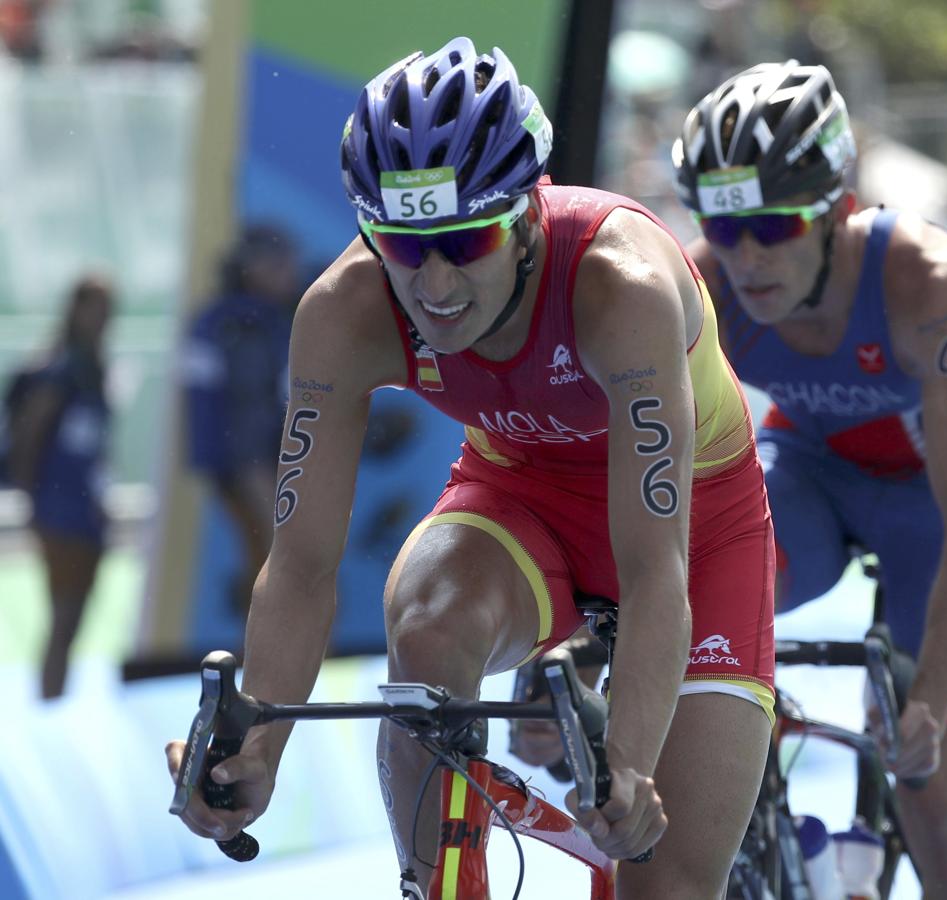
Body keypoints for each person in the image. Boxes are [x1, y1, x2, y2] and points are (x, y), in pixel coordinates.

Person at [165, 37, 775, 898]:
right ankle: (440, 883)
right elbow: (301, 565)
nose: (437, 281)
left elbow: (654, 568)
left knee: (662, 880)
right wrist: (257, 746)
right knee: (428, 625)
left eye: (466, 238)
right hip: (520, 492)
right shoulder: (344, 313)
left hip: (696, 527)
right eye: (405, 245)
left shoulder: (619, 286)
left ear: (528, 211)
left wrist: (627, 768)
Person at [673, 61, 947, 898]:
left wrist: (928, 702)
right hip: (811, 476)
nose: (748, 256)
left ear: (838, 210)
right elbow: (647, 487)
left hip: (938, 509)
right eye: (725, 227)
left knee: (936, 793)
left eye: (775, 227)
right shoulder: (699, 288)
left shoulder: (931, 286)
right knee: (686, 593)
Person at [181, 223, 299, 617]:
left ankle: (269, 656)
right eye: (279, 264)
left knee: (265, 557)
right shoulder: (239, 322)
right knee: (281, 557)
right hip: (252, 459)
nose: (289, 273)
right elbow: (248, 402)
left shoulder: (250, 318)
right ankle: (285, 655)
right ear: (252, 268)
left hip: (248, 458)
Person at [5, 274, 114, 699]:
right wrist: (31, 496)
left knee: (76, 612)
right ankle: (49, 703)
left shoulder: (91, 365)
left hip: (85, 504)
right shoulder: (60, 366)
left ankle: (55, 697)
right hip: (59, 504)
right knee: (64, 612)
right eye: (96, 308)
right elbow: (30, 433)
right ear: (76, 309)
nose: (103, 320)